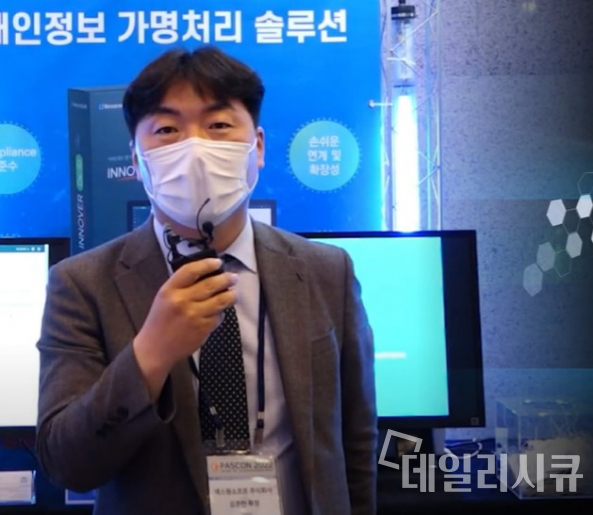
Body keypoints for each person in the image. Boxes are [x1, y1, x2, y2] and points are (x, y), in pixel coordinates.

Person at [35, 46, 377, 515]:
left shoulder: (326, 270)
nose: (194, 148)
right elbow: (66, 463)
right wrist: (150, 354)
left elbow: (356, 439)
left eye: (217, 125)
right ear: (136, 159)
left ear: (257, 146)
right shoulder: (82, 284)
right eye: (167, 130)